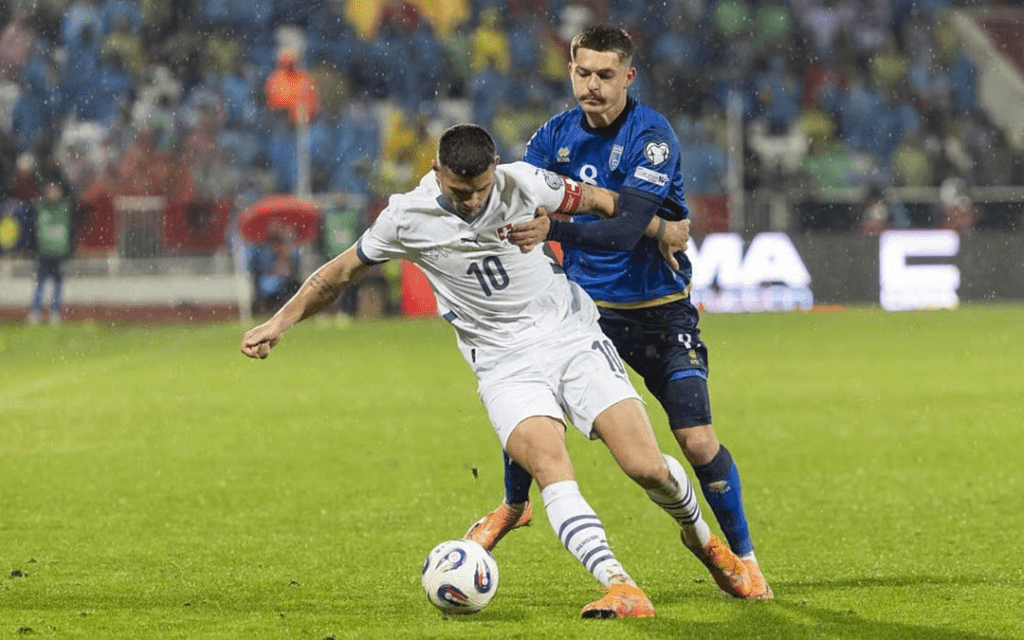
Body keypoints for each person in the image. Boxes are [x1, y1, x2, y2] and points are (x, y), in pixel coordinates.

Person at [241, 124, 743, 619]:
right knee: (552, 468)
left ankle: (703, 539)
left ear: (494, 170)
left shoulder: (525, 182)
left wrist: (661, 228)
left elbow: (603, 202)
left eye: (481, 189)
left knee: (645, 466)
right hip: (504, 363)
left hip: (571, 336)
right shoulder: (405, 217)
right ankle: (619, 584)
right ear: (436, 172)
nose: (474, 202)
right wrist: (280, 322)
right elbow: (339, 273)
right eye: (461, 192)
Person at [463, 25, 774, 600]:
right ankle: (512, 506)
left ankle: (744, 556)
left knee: (697, 442)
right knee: (530, 396)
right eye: (583, 73)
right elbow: (514, 196)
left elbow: (628, 229)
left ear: (628, 77)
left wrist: (558, 228)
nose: (593, 86)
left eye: (606, 75)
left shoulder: (651, 137)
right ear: (572, 72)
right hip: (584, 313)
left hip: (658, 312)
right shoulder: (552, 136)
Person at [28, 179, 75, 325]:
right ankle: (36, 311)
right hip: (44, 253)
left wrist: (70, 249)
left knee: (57, 284)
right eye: (50, 189)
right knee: (41, 283)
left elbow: (72, 228)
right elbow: (33, 229)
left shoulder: (65, 208)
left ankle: (54, 312)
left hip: (59, 253)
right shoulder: (40, 207)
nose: (53, 193)